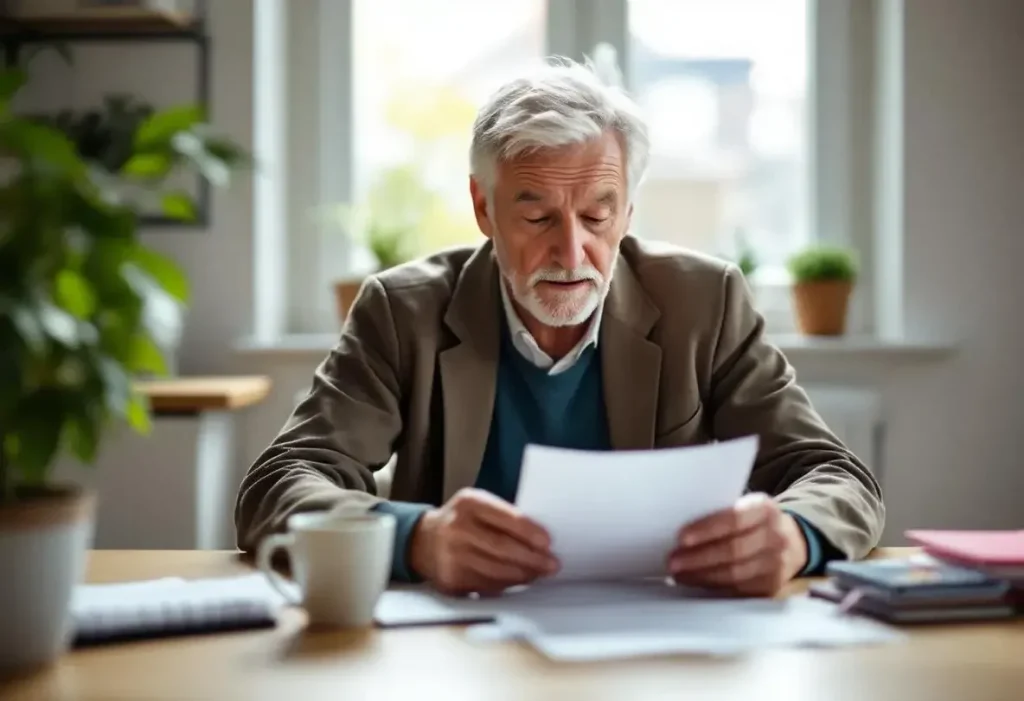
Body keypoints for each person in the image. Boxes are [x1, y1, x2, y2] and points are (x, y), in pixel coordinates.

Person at [235, 58, 883, 598]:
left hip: (657, 634)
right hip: (456, 648)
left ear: (628, 209)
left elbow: (835, 475)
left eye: (598, 216)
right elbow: (281, 482)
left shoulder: (703, 302)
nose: (572, 254)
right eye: (538, 217)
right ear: (483, 206)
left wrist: (795, 534)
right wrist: (417, 540)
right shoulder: (403, 311)